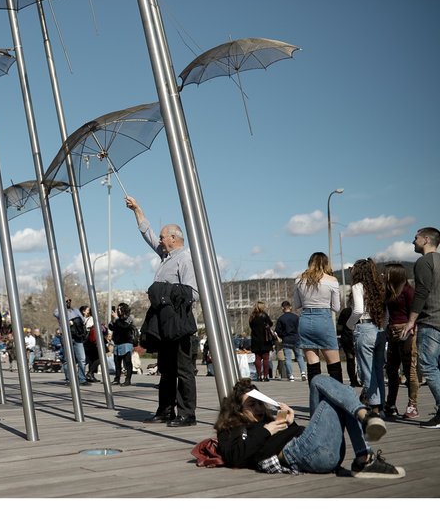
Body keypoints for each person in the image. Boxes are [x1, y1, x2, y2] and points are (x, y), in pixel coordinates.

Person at [215, 375, 404, 479]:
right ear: (238, 410)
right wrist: (268, 430)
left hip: (316, 447)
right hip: (300, 453)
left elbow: (294, 435)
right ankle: (365, 417)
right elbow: (235, 456)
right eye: (251, 404)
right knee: (324, 385)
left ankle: (364, 456)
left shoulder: (266, 419)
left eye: (259, 403)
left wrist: (291, 422)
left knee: (333, 390)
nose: (258, 408)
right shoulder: (233, 427)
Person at [125, 195, 198, 427]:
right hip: (165, 323)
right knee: (166, 369)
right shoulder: (167, 257)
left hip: (179, 323)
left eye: (163, 237)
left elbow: (193, 292)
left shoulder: (185, 259)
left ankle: (187, 413)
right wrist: (137, 209)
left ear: (174, 238)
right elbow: (147, 234)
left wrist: (164, 293)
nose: (160, 239)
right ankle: (166, 410)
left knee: (183, 369)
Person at [403, 227, 440, 428]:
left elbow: (422, 292)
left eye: (415, 238)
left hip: (431, 321)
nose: (412, 241)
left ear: (426, 239)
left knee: (428, 366)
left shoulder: (424, 262)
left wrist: (411, 321)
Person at [345, 258, 387, 415]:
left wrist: (350, 326)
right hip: (379, 329)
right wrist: (383, 326)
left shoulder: (357, 286)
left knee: (367, 371)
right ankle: (381, 405)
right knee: (378, 370)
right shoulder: (379, 286)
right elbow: (386, 312)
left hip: (364, 328)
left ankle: (374, 408)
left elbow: (358, 310)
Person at [293, 252, 342, 384]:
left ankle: (316, 400)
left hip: (305, 320)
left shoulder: (299, 280)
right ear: (326, 263)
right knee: (334, 365)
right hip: (324, 319)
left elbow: (297, 305)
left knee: (312, 366)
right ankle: (337, 400)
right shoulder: (332, 281)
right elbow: (336, 307)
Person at [383, 263, 418, 420]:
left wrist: (412, 327)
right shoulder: (389, 291)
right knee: (391, 369)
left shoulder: (408, 291)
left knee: (409, 369)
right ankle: (390, 404)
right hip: (392, 332)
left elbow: (414, 312)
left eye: (387, 273)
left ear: (396, 274)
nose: (385, 275)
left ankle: (412, 405)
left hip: (406, 331)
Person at [53, 298, 89, 386]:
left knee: (82, 359)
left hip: (77, 336)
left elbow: (82, 320)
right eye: (66, 301)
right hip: (66, 336)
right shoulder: (59, 310)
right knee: (67, 359)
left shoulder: (75, 310)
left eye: (69, 300)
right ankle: (69, 379)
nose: (68, 302)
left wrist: (74, 322)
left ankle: (82, 378)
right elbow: (57, 314)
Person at [275, 301, 306, 382]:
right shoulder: (296, 317)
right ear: (290, 307)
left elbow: (277, 330)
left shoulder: (281, 318)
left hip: (286, 340)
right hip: (296, 338)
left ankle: (291, 375)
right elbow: (300, 328)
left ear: (282, 308)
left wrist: (282, 335)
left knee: (288, 358)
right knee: (299, 356)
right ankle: (303, 373)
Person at [109, 302, 135, 387]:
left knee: (127, 362)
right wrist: (113, 319)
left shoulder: (129, 318)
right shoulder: (117, 319)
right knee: (117, 362)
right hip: (117, 343)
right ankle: (117, 378)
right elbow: (111, 327)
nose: (118, 310)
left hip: (126, 342)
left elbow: (124, 326)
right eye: (118, 309)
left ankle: (128, 380)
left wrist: (116, 319)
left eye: (120, 309)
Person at [248, 301, 275, 382]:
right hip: (265, 339)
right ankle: (266, 375)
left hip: (255, 339)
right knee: (266, 358)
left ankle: (259, 375)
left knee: (257, 358)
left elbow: (251, 326)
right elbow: (270, 323)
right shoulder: (264, 315)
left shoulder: (252, 316)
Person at [336, 306, 361, 387]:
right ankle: (360, 379)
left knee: (350, 358)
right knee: (361, 359)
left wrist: (339, 334)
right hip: (358, 335)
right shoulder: (361, 310)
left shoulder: (345, 311)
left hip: (346, 336)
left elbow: (339, 324)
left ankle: (352, 380)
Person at [81, 306, 99, 382]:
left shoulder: (86, 319)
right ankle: (90, 373)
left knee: (92, 358)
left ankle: (91, 375)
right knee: (98, 358)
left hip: (87, 341)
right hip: (91, 341)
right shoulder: (92, 319)